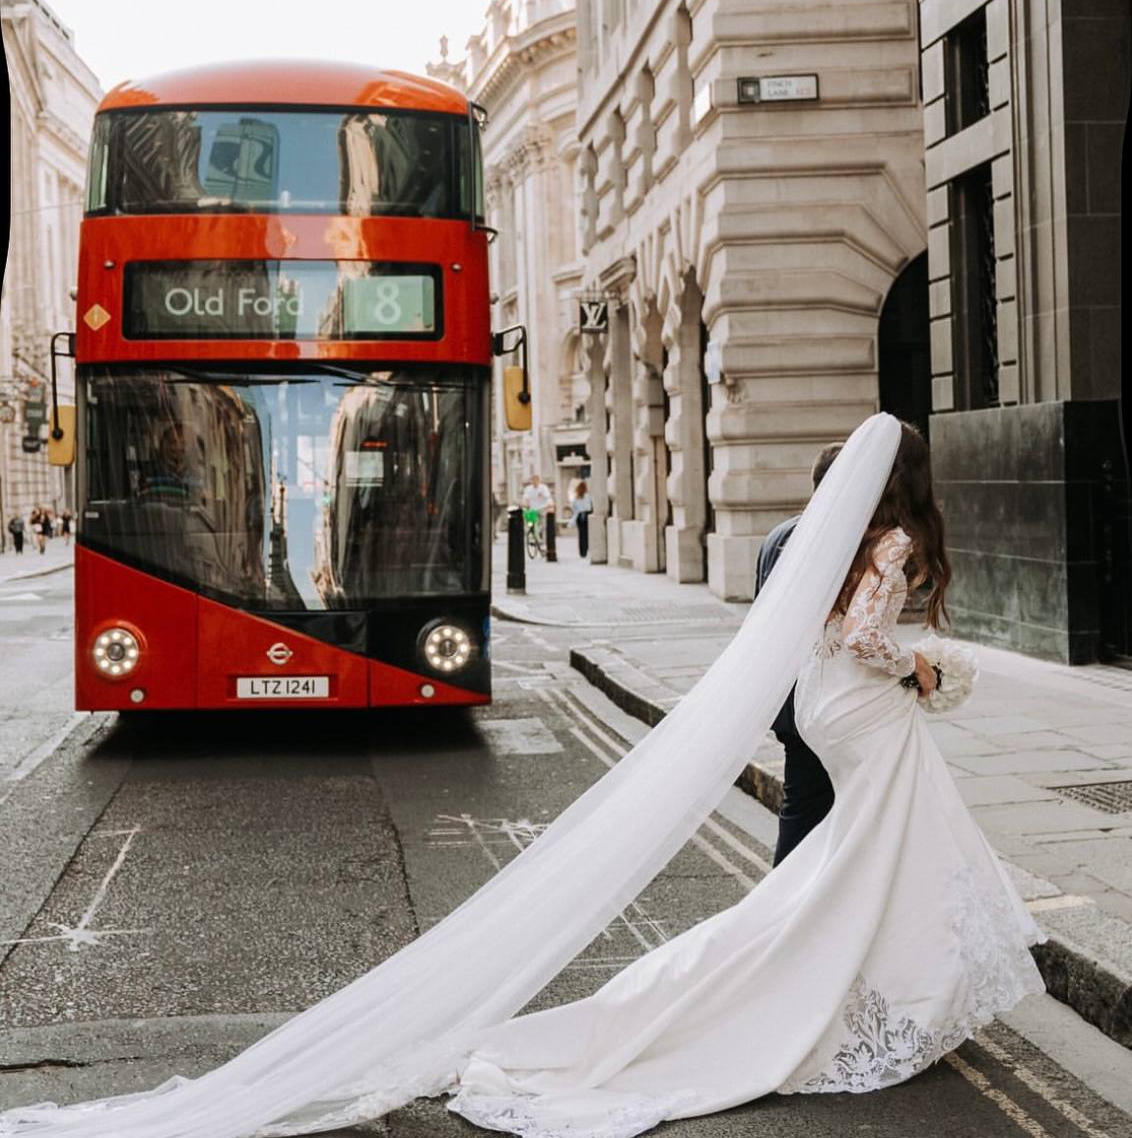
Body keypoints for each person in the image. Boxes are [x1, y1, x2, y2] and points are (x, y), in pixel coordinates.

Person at [0, 415, 1045, 1138]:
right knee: (872, 851)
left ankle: (864, 978)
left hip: (825, 711)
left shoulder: (822, 532)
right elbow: (866, 633)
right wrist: (919, 662)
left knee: (855, 857)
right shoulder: (894, 538)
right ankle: (870, 986)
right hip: (864, 707)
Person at [755, 442, 841, 865]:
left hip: (786, 698)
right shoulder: (828, 541)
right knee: (808, 812)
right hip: (818, 700)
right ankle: (782, 912)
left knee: (808, 808)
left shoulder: (778, 534)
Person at [520, 473, 552, 540]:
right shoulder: (528, 489)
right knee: (533, 524)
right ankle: (536, 538)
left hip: (542, 508)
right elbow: (525, 499)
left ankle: (543, 540)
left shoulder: (543, 488)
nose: (535, 482)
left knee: (543, 526)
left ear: (539, 481)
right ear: (531, 481)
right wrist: (525, 504)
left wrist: (549, 504)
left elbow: (548, 498)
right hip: (533, 509)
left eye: (536, 481)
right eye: (533, 481)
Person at [568, 480, 594, 558]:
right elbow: (591, 506)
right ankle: (587, 548)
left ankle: (582, 552)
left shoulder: (576, 497)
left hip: (579, 517)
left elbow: (573, 508)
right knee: (587, 534)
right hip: (587, 515)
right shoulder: (588, 496)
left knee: (581, 534)